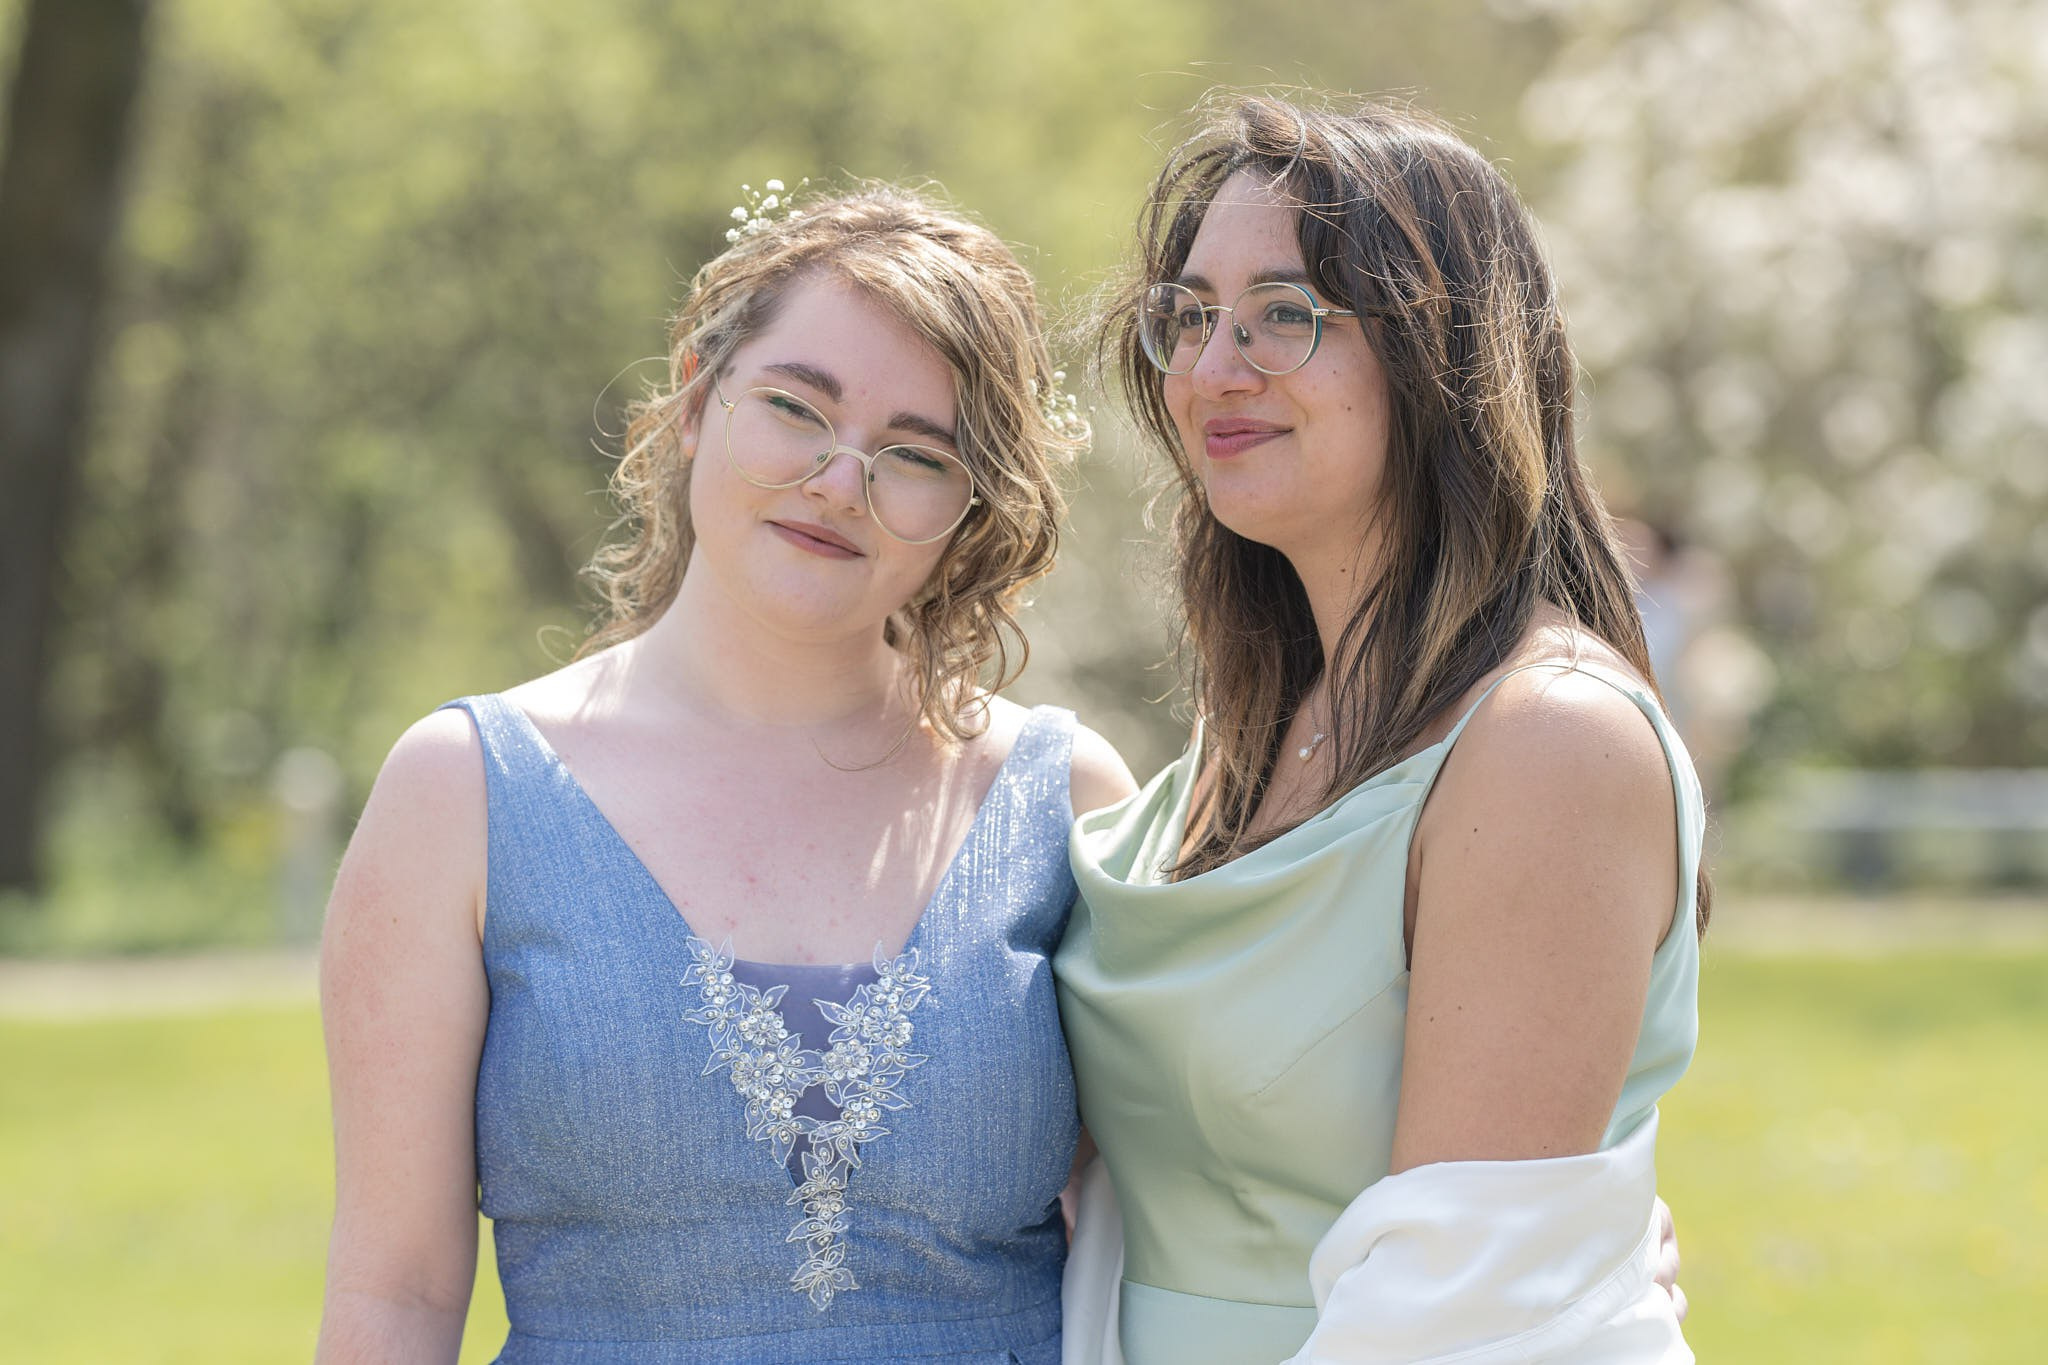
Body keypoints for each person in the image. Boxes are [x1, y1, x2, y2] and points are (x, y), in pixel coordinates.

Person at [316, 184, 1136, 1364]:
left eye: (915, 454)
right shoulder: (463, 792)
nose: (839, 480)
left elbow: (1163, 1243)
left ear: (971, 511)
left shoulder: (1064, 803)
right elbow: (392, 1295)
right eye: (797, 408)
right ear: (697, 398)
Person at [1056, 95, 1706, 1363]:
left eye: (1283, 316)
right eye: (1188, 317)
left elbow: (1451, 1312)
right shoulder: (1247, 745)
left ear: (1441, 350)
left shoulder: (1547, 744)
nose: (1210, 369)